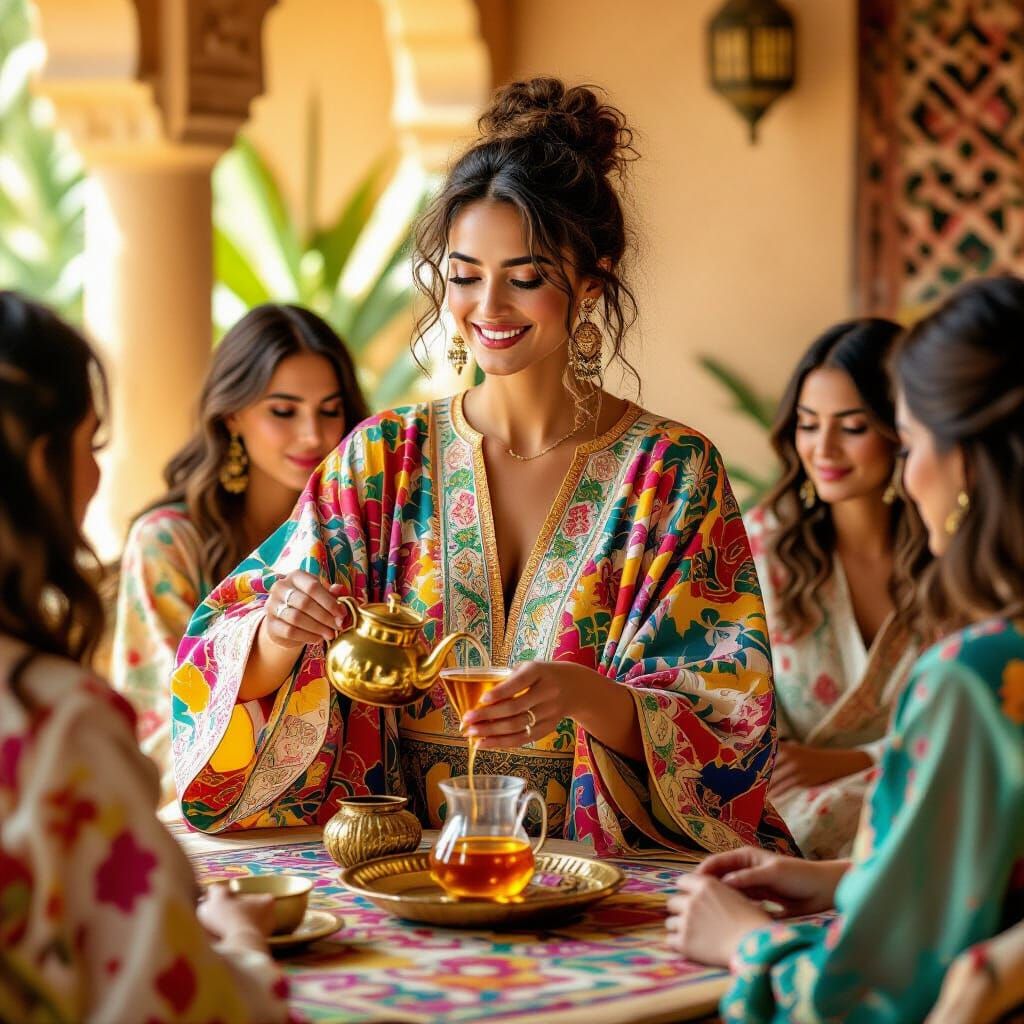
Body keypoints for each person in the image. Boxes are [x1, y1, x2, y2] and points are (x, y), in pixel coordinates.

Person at [171, 77, 795, 858]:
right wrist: (275, 633)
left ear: (592, 282)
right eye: (464, 275)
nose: (488, 307)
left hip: (607, 875)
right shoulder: (379, 461)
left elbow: (731, 728)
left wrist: (587, 697)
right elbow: (221, 671)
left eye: (526, 277)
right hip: (407, 868)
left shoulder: (671, 473)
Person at [665, 274, 1024, 1022]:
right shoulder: (756, 550)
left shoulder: (983, 673)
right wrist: (843, 879)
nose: (909, 470)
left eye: (912, 440)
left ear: (969, 461)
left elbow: (866, 992)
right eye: (807, 422)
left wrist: (747, 943)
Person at [0, 292, 287, 1022]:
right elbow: (180, 1004)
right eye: (91, 445)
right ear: (39, 461)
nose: (96, 476)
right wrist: (240, 947)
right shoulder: (51, 723)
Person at [111, 303, 368, 804]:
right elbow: (170, 716)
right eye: (283, 411)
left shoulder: (353, 535)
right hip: (202, 815)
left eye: (330, 409)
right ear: (232, 414)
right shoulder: (167, 543)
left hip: (344, 809)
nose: (313, 435)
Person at [744, 319, 929, 857]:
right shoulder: (758, 547)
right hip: (791, 816)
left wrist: (858, 760)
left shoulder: (951, 558)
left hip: (920, 796)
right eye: (807, 424)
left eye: (851, 427)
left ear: (904, 430)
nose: (823, 448)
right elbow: (721, 702)